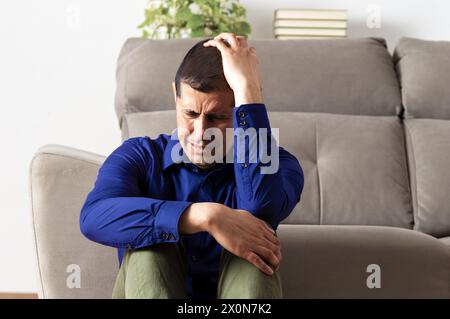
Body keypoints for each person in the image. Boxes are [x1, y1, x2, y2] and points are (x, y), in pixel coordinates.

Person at [79, 32, 304, 299]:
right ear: (175, 96)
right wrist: (204, 217)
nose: (200, 133)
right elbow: (92, 218)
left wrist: (248, 90)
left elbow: (260, 206)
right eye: (190, 114)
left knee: (251, 257)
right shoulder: (140, 156)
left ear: (239, 110)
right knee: (150, 247)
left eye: (217, 117)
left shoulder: (279, 165)